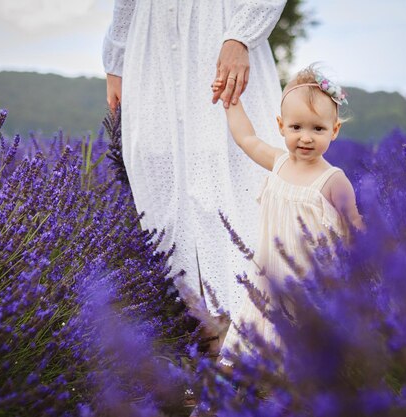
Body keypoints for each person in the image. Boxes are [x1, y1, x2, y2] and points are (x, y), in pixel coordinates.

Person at [102, 1, 286, 321]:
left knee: (239, 181)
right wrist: (116, 60)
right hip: (152, 50)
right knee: (161, 182)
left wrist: (240, 37)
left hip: (220, 34)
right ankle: (192, 329)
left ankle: (252, 329)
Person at [213, 65, 364, 367]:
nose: (305, 138)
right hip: (267, 284)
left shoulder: (332, 181)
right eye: (296, 128)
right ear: (282, 126)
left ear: (334, 130)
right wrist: (231, 102)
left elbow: (355, 228)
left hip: (308, 291)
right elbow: (246, 138)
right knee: (241, 355)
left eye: (317, 129)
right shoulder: (279, 163)